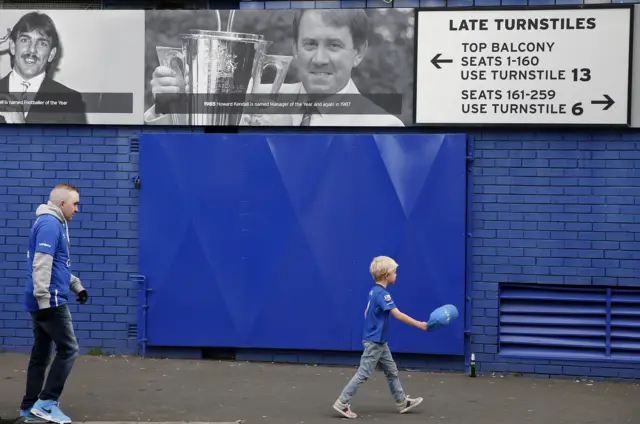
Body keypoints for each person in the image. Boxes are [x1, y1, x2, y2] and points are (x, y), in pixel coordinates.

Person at [143, 9, 405, 127]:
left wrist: (285, 140)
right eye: (310, 44)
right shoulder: (251, 96)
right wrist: (169, 104)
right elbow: (193, 146)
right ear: (295, 49)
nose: (320, 58)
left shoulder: (381, 125)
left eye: (334, 45)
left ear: (358, 53)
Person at [19, 184, 88, 424]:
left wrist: (76, 285)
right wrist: (44, 298)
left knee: (41, 353)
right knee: (69, 349)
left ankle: (30, 406)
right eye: (75, 204)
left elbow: (58, 265)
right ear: (62, 204)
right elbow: (41, 264)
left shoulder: (53, 224)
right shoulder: (50, 224)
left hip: (43, 298)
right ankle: (46, 403)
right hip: (50, 300)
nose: (77, 209)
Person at [332, 256, 425, 419]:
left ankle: (402, 402)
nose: (396, 275)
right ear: (386, 275)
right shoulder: (383, 295)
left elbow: (366, 312)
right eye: (395, 272)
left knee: (392, 371)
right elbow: (398, 315)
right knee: (363, 373)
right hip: (375, 342)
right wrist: (419, 324)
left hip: (379, 342)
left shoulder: (373, 291)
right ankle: (342, 402)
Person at [0, 12, 87, 125]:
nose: (32, 50)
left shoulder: (71, 101)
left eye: (42, 43)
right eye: (25, 40)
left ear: (51, 54)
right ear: (12, 46)